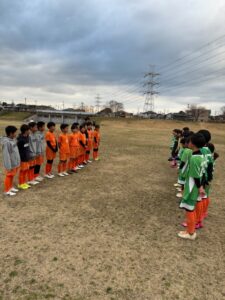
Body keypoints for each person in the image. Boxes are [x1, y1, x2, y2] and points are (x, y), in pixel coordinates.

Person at [178, 133, 206, 240]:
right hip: (197, 186)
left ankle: (190, 233)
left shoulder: (194, 158)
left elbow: (195, 176)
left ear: (192, 144)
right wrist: (202, 186)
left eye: (189, 141)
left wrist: (199, 187)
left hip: (192, 187)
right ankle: (190, 230)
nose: (187, 143)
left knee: (189, 209)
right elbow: (202, 173)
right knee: (192, 208)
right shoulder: (201, 155)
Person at [2, 126, 20, 196]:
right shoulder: (6, 143)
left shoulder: (13, 140)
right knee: (9, 175)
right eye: (15, 132)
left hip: (14, 162)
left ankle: (10, 187)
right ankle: (7, 190)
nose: (16, 134)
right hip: (10, 163)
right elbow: (6, 155)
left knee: (12, 175)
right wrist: (8, 166)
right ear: (11, 133)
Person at [17, 124, 31, 190]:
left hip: (27, 157)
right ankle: (20, 184)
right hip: (23, 158)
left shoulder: (27, 137)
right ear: (25, 131)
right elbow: (18, 149)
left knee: (26, 170)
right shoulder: (20, 140)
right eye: (28, 130)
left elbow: (27, 147)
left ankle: (24, 182)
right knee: (22, 171)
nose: (29, 131)